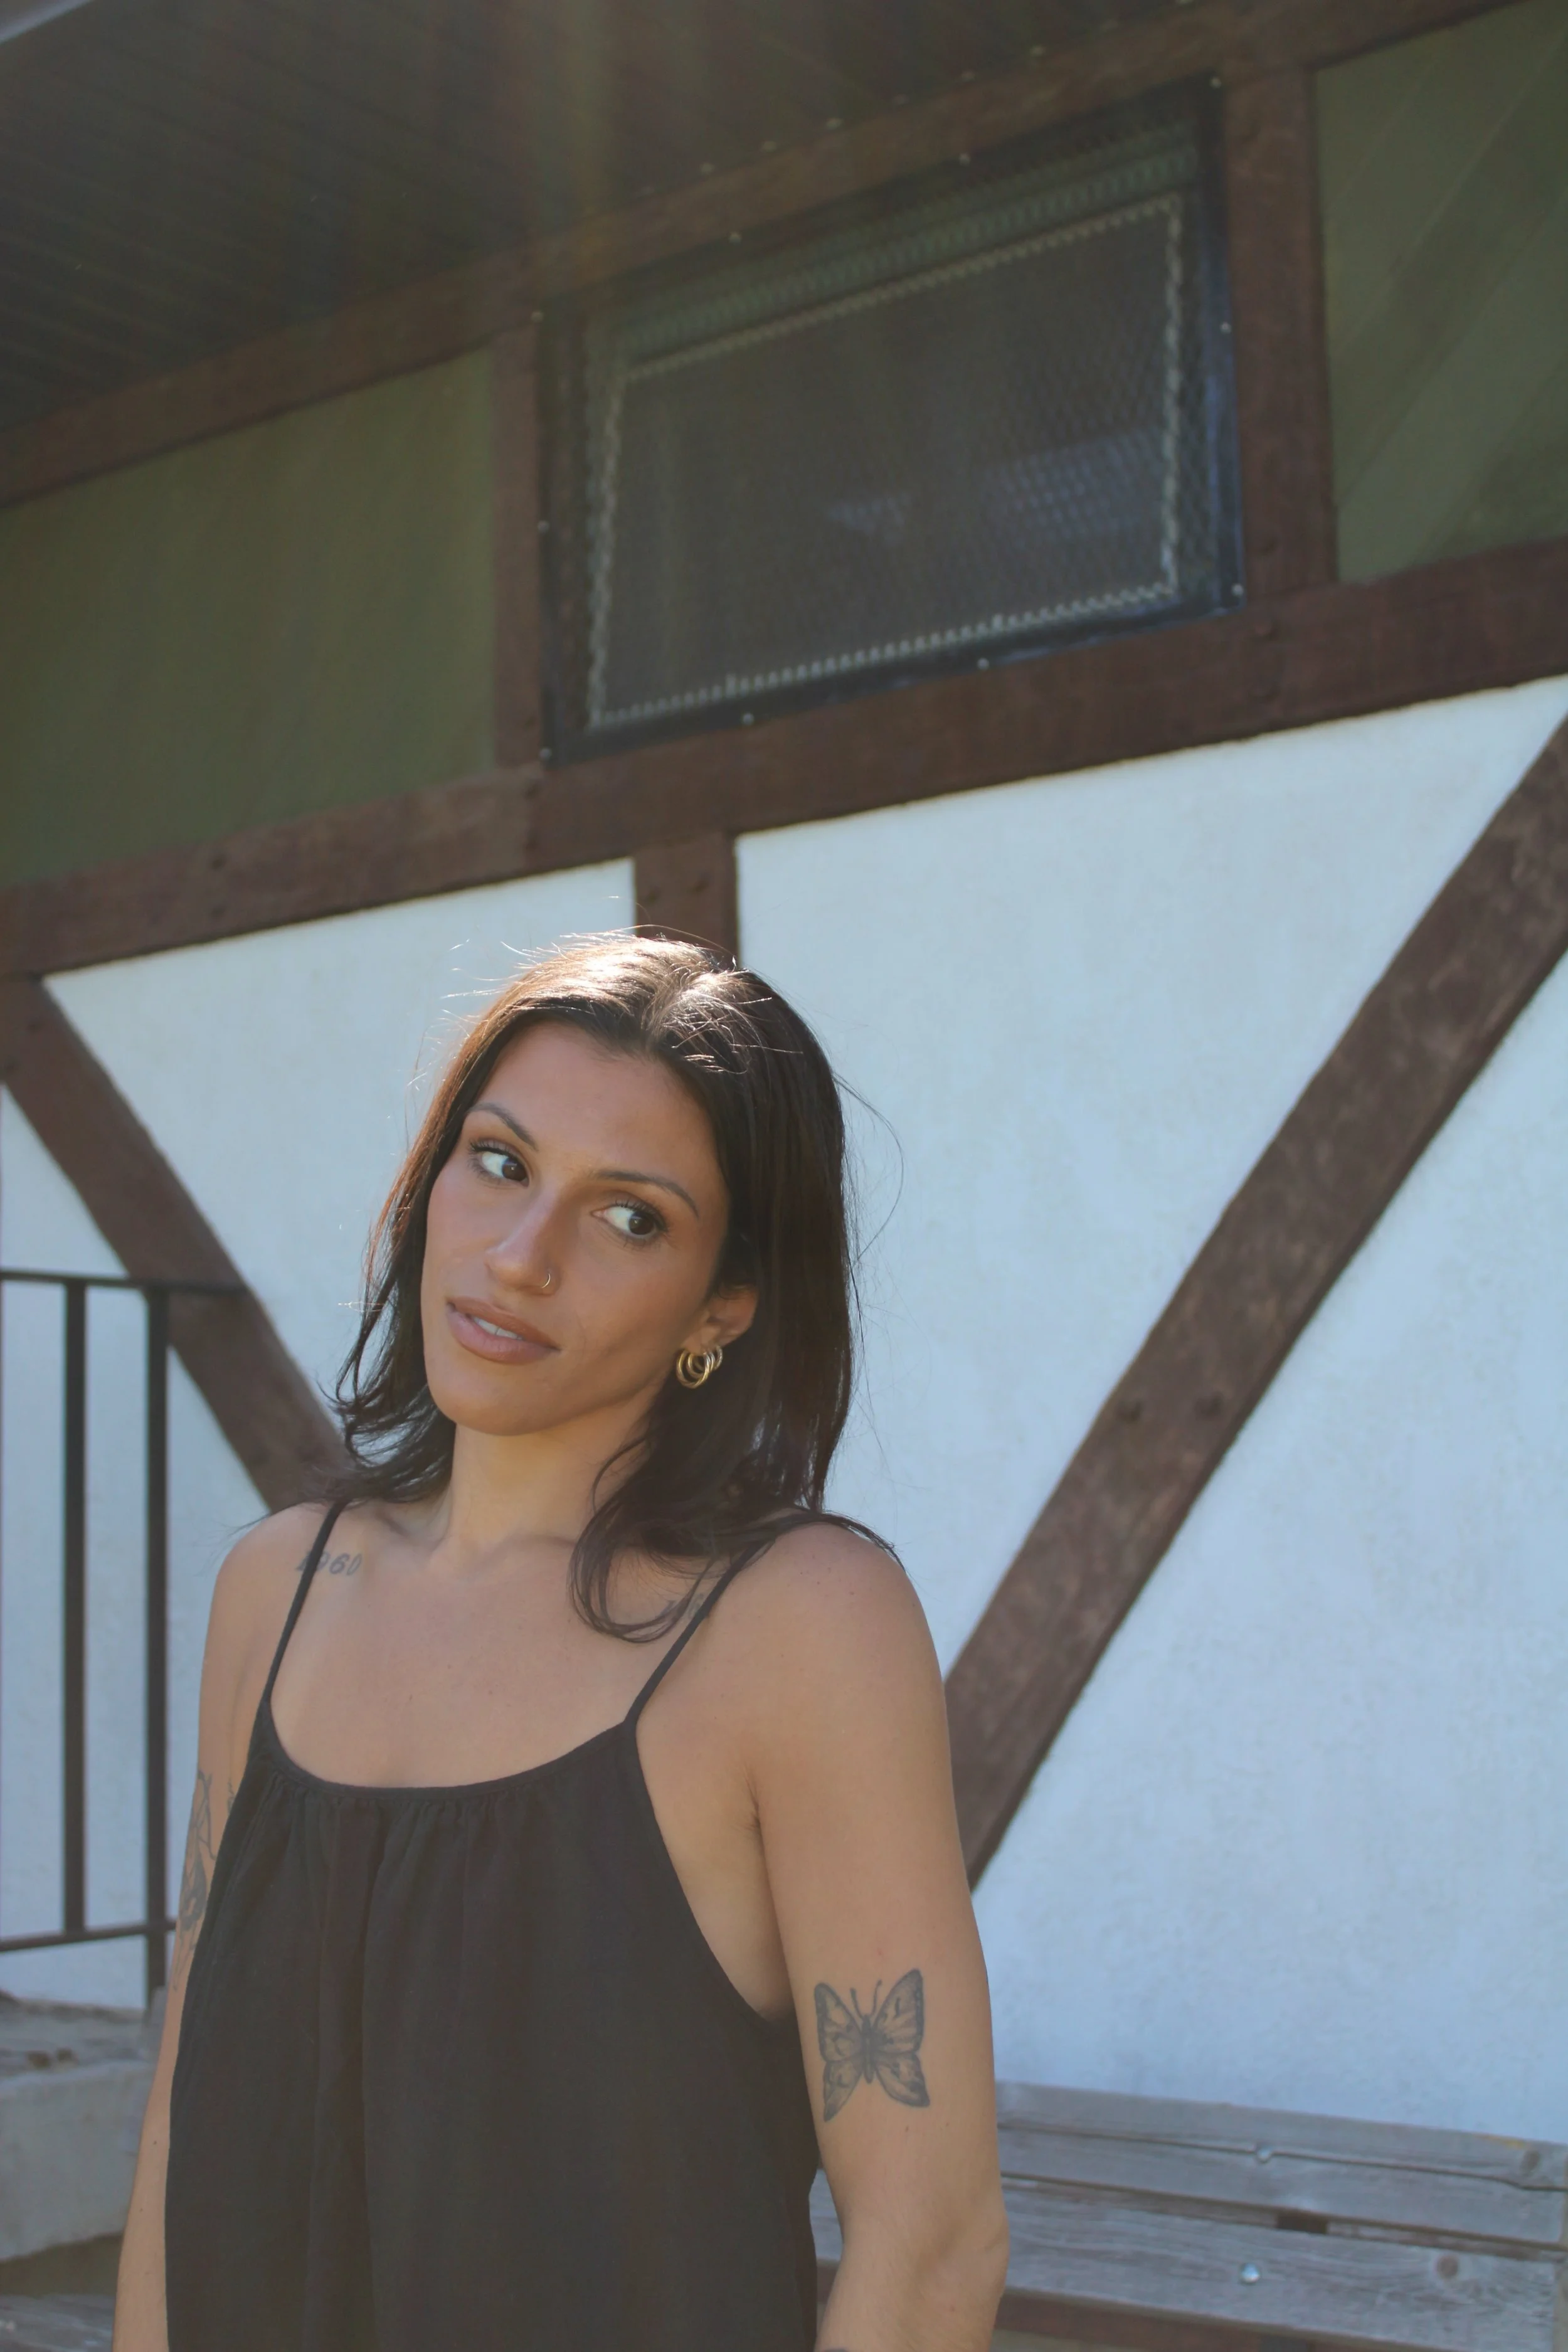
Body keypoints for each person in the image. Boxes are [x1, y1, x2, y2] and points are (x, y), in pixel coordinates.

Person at [114, 935, 1008, 2352]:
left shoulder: (796, 1627)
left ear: (724, 1303)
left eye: (630, 1217)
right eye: (500, 1162)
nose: (520, 1258)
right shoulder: (273, 1593)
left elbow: (931, 2240)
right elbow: (182, 2129)